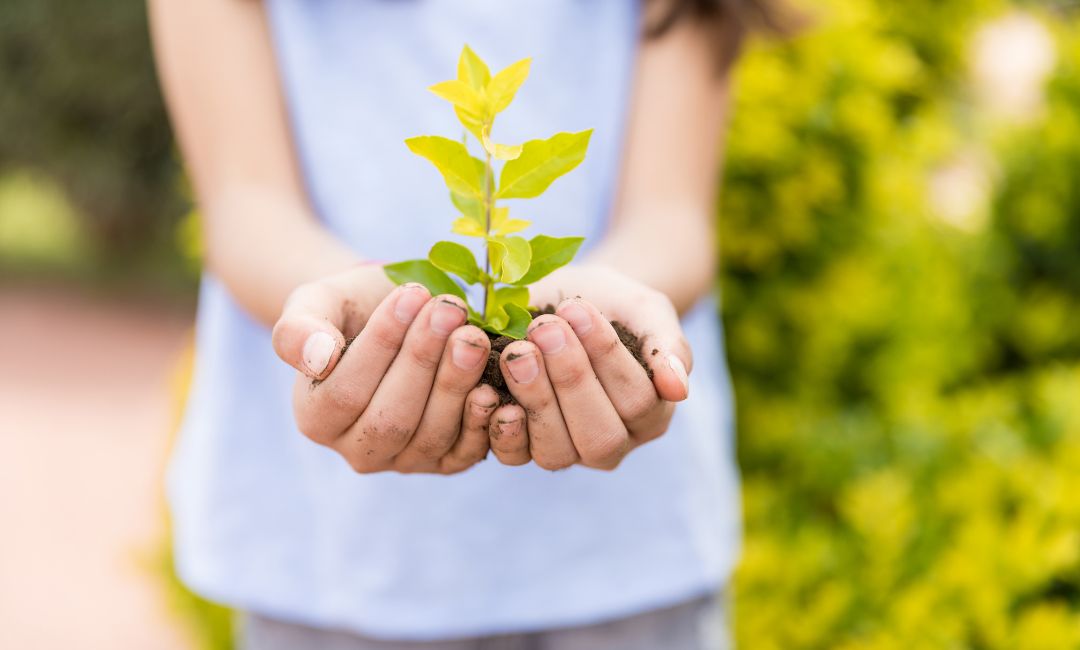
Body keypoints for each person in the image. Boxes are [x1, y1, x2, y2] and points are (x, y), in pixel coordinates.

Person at [150, 0, 774, 647]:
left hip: (627, 563)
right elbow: (245, 205)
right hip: (334, 557)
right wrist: (364, 314)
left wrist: (601, 308)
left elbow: (671, 215)